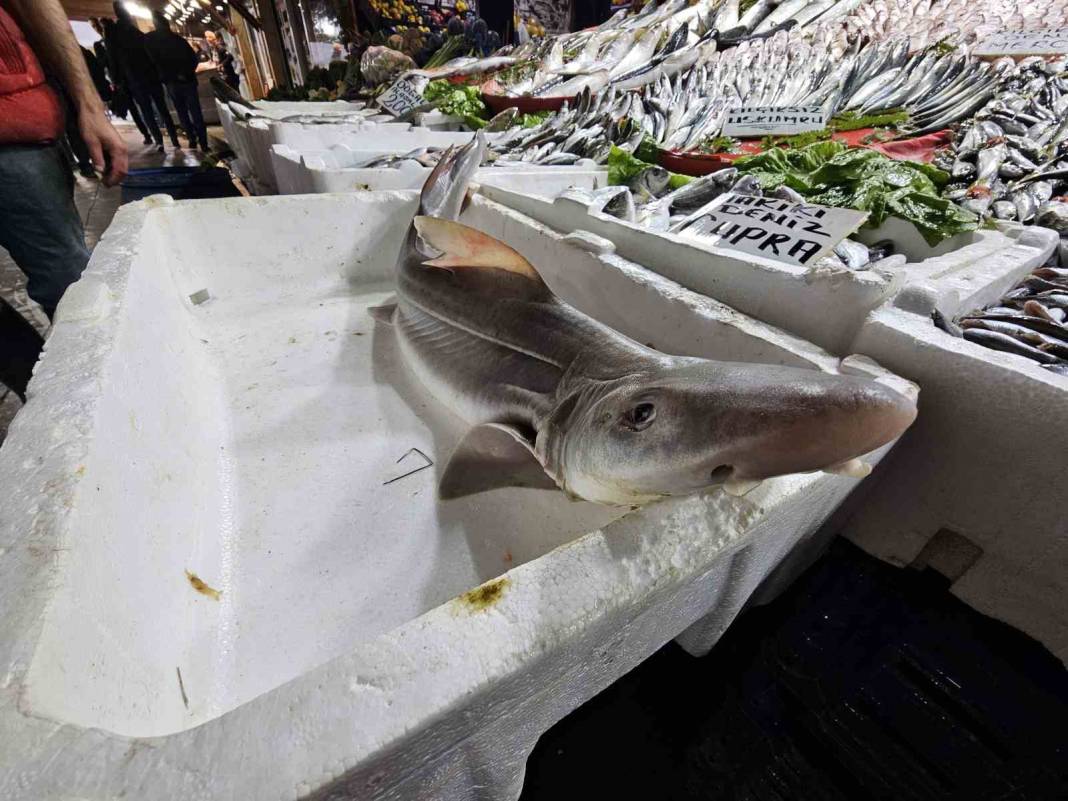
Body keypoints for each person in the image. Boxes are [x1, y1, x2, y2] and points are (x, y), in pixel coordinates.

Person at [0, 0, 127, 394]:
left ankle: (116, 394)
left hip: (11, 130)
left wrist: (89, 105)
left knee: (71, 284)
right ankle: (55, 404)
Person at [108, 0, 180, 151]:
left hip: (134, 79)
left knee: (147, 112)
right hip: (151, 76)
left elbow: (113, 59)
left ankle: (159, 141)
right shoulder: (136, 32)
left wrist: (117, 80)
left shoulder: (114, 34)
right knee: (162, 109)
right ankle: (174, 139)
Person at [145, 11, 209, 152]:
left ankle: (192, 139)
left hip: (172, 83)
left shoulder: (152, 42)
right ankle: (203, 143)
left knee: (182, 113)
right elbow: (193, 59)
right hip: (187, 81)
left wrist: (167, 76)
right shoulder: (178, 40)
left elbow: (154, 62)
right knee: (196, 112)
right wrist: (186, 73)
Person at [100, 16, 153, 146]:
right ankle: (154, 135)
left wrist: (115, 80)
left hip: (123, 82)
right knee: (145, 107)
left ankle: (147, 134)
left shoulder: (107, 43)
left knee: (136, 110)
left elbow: (110, 64)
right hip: (133, 78)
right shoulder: (124, 39)